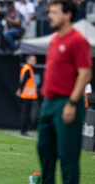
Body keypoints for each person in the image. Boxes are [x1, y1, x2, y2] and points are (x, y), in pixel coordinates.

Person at [37, 0, 92, 183]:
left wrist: (72, 102)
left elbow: (85, 74)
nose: (49, 16)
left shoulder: (78, 40)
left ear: (67, 15)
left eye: (54, 12)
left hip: (65, 102)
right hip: (48, 103)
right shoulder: (54, 39)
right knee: (45, 152)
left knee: (68, 157)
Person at [16, 55, 38, 136]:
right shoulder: (28, 69)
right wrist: (20, 89)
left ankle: (24, 129)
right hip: (27, 95)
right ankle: (23, 130)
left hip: (27, 95)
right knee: (25, 113)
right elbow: (24, 80)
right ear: (28, 61)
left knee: (25, 112)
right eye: (33, 60)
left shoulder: (27, 68)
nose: (35, 62)